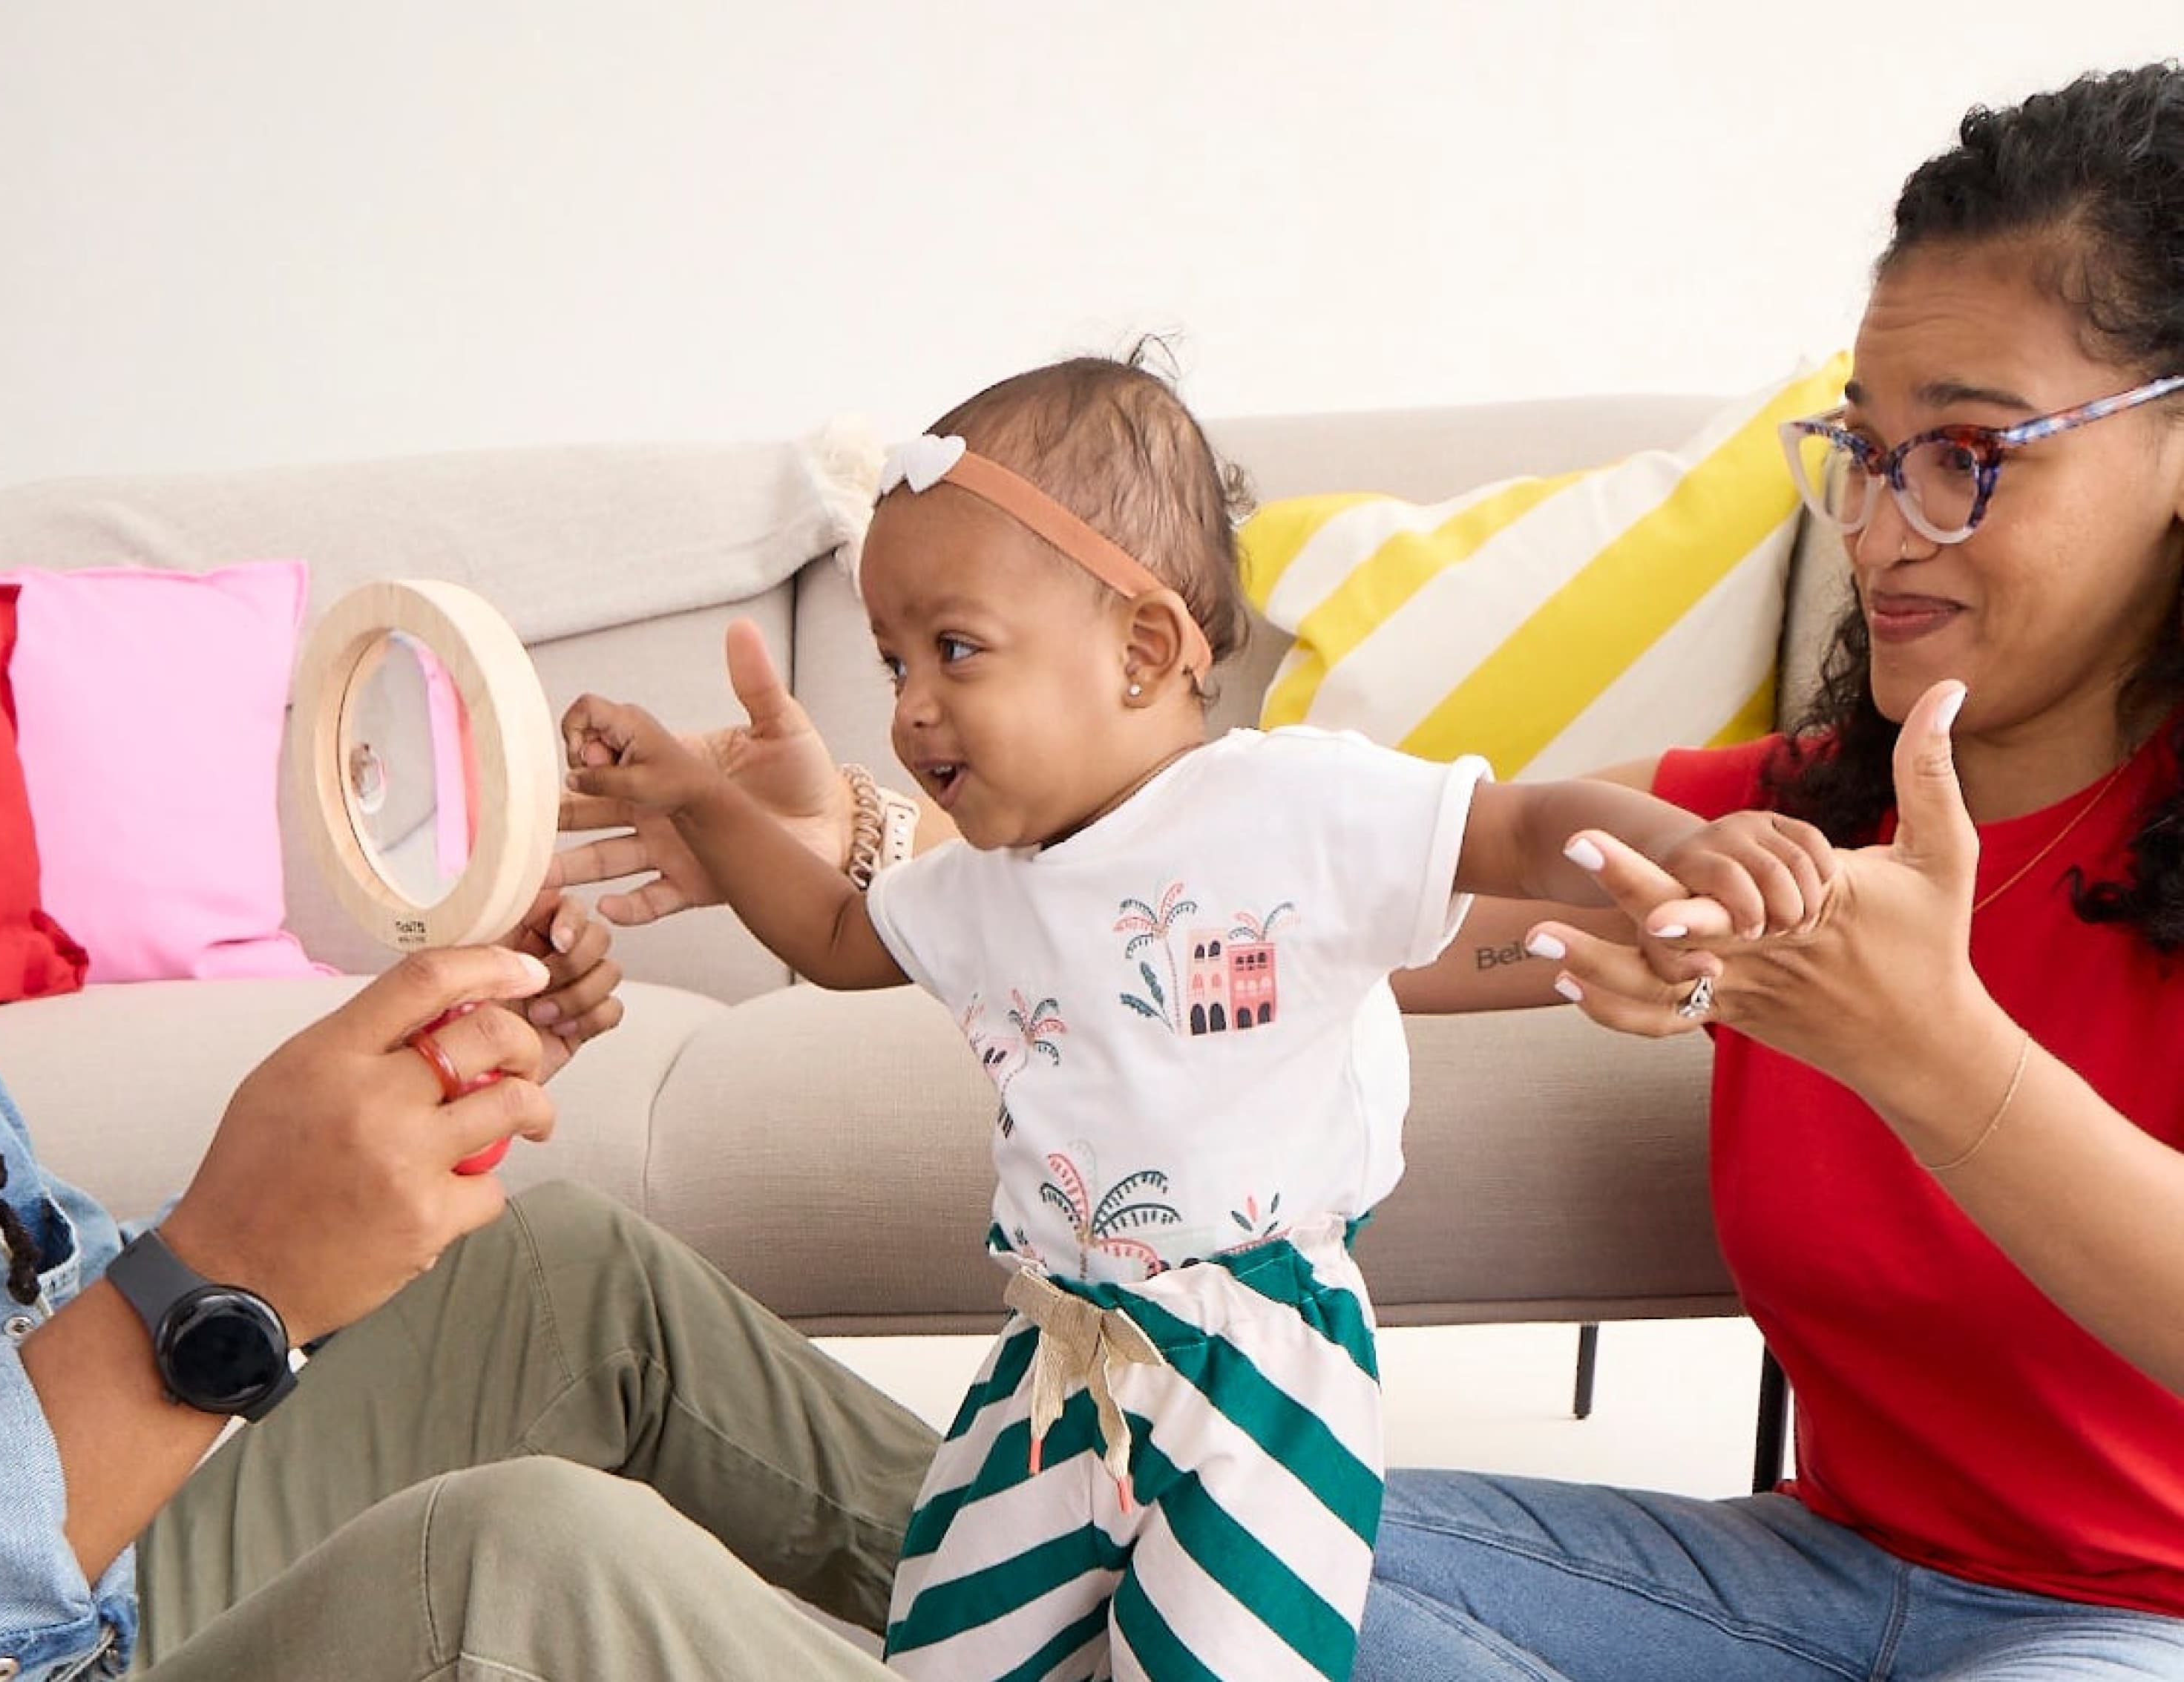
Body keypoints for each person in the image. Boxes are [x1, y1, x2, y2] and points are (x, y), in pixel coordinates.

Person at [560, 64, 2184, 1678]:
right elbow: (1213, 929)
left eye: (1968, 450)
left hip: (2130, 1629)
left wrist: (1928, 1048)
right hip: (1806, 1578)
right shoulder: (1768, 825)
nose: (1884, 526)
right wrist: (851, 829)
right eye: (1861, 448)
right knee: (1227, 1557)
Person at [0, 188, 947, 1681]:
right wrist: (217, 1286)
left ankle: (1120, 1620)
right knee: (518, 1565)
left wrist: (338, 1174)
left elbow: (43, 1333)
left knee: (562, 1276)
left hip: (85, 1605)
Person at [558, 357, 1823, 1681]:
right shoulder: (982, 886)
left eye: (956, 649)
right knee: (945, 1649)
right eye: (890, 661)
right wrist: (701, 800)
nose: (909, 704)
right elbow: (829, 933)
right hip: (1054, 1368)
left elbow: (1519, 823)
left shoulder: (1292, 805)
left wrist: (1685, 847)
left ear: (1145, 651)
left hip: (1264, 1372)